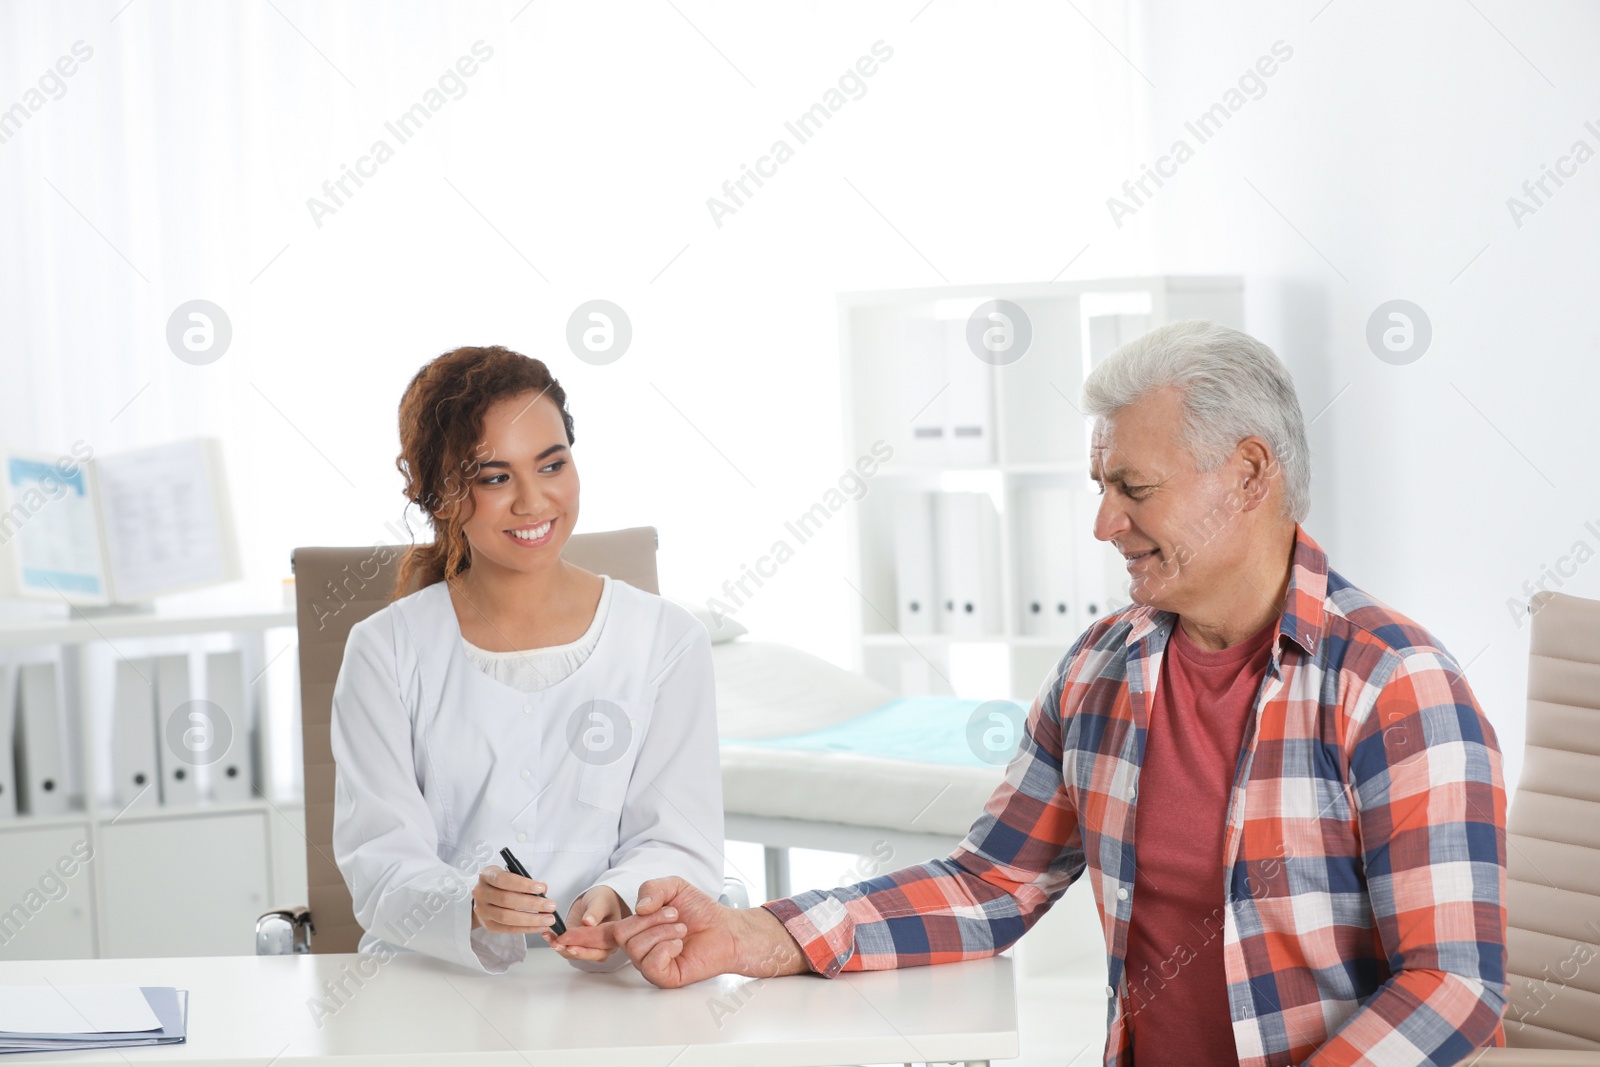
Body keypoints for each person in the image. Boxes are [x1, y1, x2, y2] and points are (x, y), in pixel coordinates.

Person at [589, 321, 1509, 1066]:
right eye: (1101, 486)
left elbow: (1452, 984)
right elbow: (991, 882)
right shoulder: (1102, 669)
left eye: (1132, 488)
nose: (1105, 523)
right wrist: (752, 934)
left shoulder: (1393, 685)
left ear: (1250, 474)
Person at [329, 345, 724, 974]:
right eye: (493, 477)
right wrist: (470, 905)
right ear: (439, 497)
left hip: (619, 983)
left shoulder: (666, 640)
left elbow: (681, 838)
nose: (533, 501)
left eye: (551, 464)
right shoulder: (385, 650)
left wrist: (620, 895)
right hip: (436, 986)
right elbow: (379, 864)